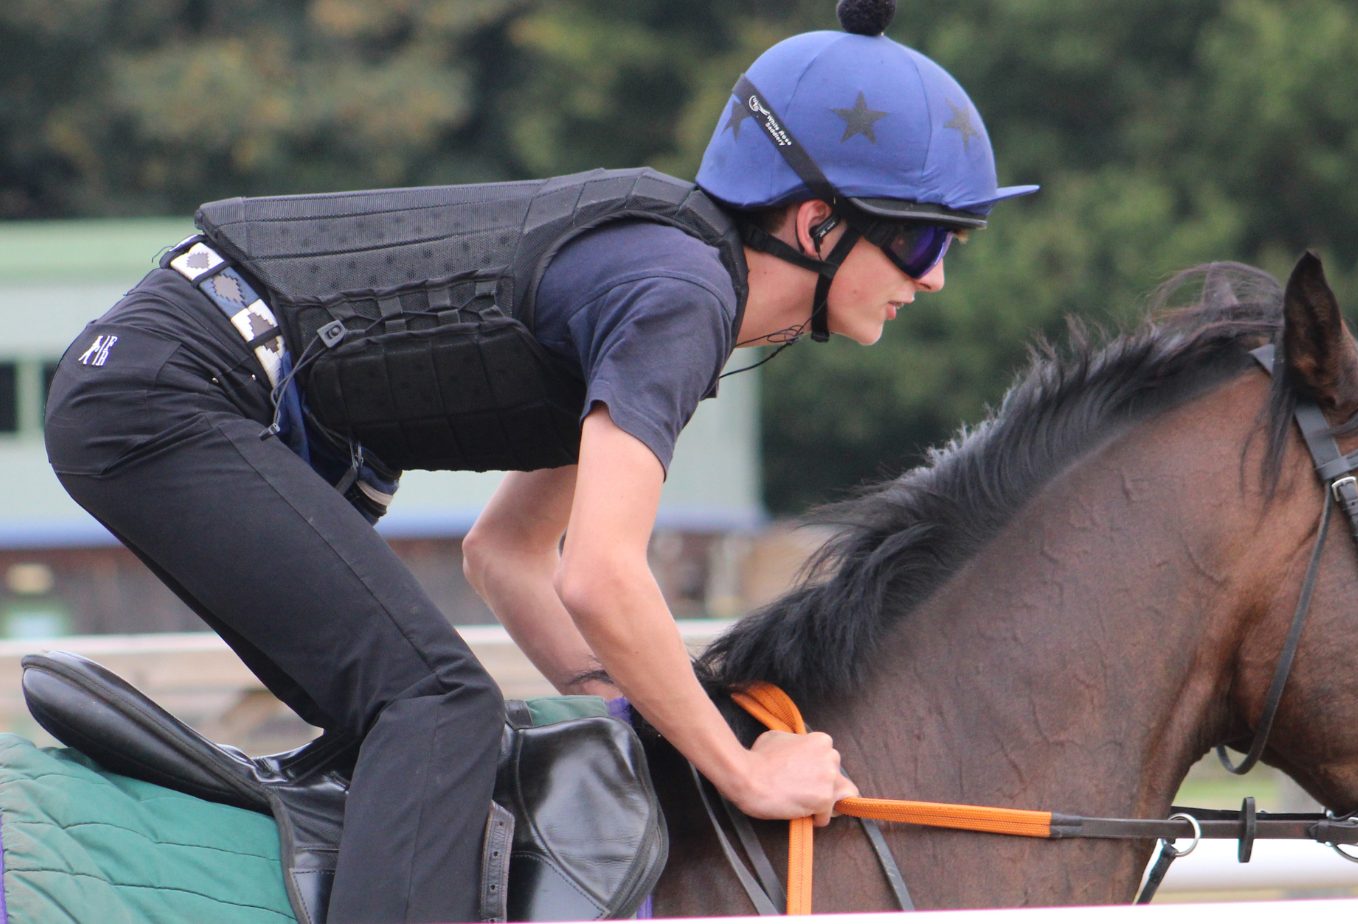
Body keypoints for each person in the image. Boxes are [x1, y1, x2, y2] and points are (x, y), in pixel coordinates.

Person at [42, 1, 1034, 921]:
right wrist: (741, 770)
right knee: (437, 706)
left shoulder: (668, 282)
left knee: (437, 712)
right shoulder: (680, 297)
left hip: (169, 382)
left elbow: (508, 553)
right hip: (171, 391)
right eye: (916, 239)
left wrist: (649, 712)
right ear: (815, 223)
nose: (936, 277)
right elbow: (602, 574)